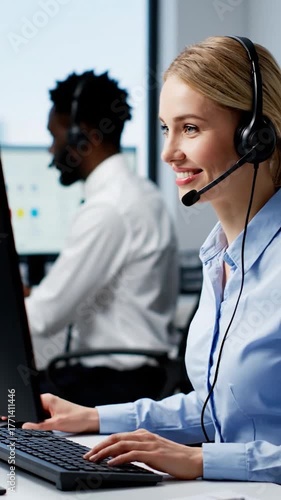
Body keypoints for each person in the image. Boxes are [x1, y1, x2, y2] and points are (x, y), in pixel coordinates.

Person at [23, 36, 281, 483]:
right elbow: (215, 407)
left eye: (191, 128)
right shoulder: (221, 255)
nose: (168, 153)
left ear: (255, 136)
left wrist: (203, 461)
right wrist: (94, 418)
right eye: (166, 129)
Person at [24, 70, 179, 407]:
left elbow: (42, 318)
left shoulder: (109, 208)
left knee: (11, 395)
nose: (52, 150)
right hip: (138, 375)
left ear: (86, 137)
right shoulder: (140, 192)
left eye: (55, 135)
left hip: (114, 383)